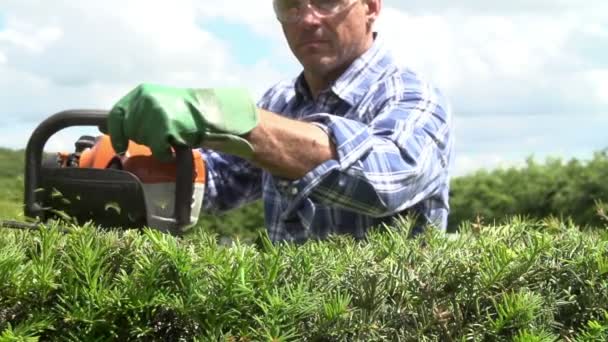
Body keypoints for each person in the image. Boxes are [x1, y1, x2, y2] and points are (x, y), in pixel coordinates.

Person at [104, 0, 454, 243]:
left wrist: (229, 117)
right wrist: (124, 166)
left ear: (371, 8)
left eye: (327, 2)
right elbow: (222, 179)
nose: (308, 19)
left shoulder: (412, 96)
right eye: (291, 5)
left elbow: (385, 179)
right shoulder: (281, 100)